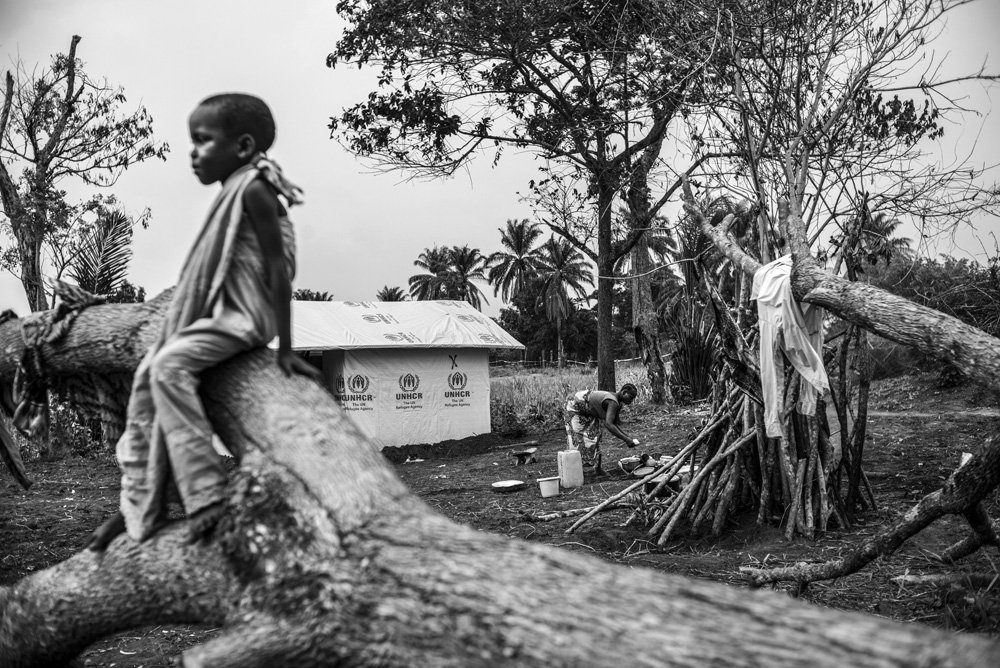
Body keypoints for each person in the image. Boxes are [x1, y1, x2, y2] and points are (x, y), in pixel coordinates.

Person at [88, 93, 321, 550]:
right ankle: (139, 504)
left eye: (202, 140)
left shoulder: (253, 188)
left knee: (167, 367)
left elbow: (277, 269)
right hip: (227, 311)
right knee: (154, 372)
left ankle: (208, 495)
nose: (193, 152)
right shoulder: (235, 189)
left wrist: (287, 349)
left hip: (246, 316)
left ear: (242, 146)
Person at [563, 383, 640, 477]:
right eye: (631, 397)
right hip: (575, 404)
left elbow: (614, 424)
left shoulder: (618, 404)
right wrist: (626, 440)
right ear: (624, 392)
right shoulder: (613, 402)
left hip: (588, 410)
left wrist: (628, 438)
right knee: (576, 438)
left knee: (596, 435)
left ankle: (597, 468)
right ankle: (575, 472)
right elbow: (608, 424)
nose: (631, 401)